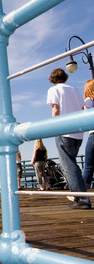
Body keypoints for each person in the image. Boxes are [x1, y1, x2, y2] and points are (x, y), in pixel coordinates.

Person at [47, 68, 90, 209]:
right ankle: (79, 195)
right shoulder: (77, 90)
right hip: (78, 133)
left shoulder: (54, 90)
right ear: (65, 77)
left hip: (64, 131)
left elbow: (56, 109)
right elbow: (84, 109)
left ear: (52, 79)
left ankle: (82, 199)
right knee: (72, 164)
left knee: (69, 166)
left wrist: (54, 126)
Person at [83, 79, 94, 189]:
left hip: (93, 134)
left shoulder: (89, 100)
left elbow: (86, 117)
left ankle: (82, 192)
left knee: (89, 165)